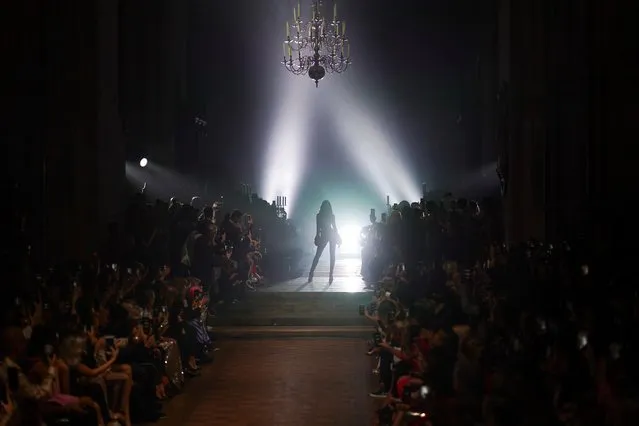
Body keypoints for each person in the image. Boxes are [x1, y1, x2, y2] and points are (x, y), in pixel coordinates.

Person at [308, 200, 341, 284]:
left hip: (327, 234)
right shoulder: (328, 215)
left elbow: (319, 228)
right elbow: (334, 228)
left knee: (319, 255)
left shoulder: (320, 215)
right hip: (329, 234)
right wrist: (338, 237)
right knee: (328, 255)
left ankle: (312, 273)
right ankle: (329, 275)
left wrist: (317, 235)